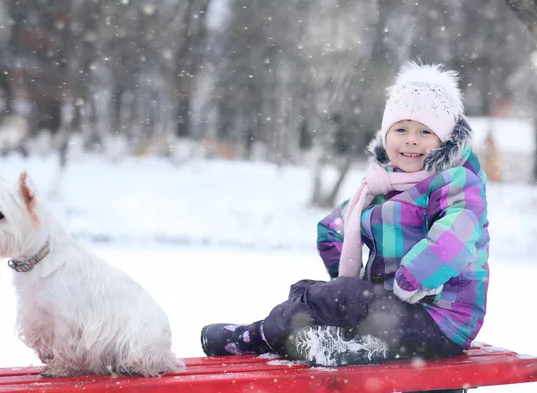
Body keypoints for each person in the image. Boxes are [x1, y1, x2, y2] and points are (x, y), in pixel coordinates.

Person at [200, 62, 490, 368]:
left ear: (445, 140)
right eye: (401, 129)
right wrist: (345, 280)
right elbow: (333, 228)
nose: (411, 139)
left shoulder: (456, 182)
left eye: (425, 132)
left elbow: (453, 239)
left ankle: (254, 337)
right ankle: (336, 342)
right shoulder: (383, 185)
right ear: (385, 135)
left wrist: (408, 280)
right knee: (308, 291)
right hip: (395, 313)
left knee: (336, 296)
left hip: (441, 322)